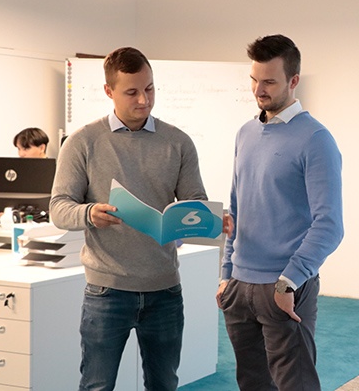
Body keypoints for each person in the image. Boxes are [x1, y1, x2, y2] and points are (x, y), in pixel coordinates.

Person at [49, 47, 230, 391]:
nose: (144, 100)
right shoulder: (83, 142)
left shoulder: (178, 142)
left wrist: (209, 217)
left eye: (149, 88)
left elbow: (195, 201)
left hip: (164, 289)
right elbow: (59, 207)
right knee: (97, 385)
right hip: (107, 291)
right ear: (109, 91)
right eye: (132, 92)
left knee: (164, 384)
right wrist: (89, 213)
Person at [215, 34, 344, 391]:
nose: (259, 90)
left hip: (284, 287)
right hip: (240, 287)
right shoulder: (245, 133)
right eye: (254, 80)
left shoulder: (316, 139)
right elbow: (237, 209)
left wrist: (290, 280)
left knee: (295, 385)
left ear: (293, 80)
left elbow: (330, 224)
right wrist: (227, 274)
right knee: (252, 384)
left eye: (269, 82)